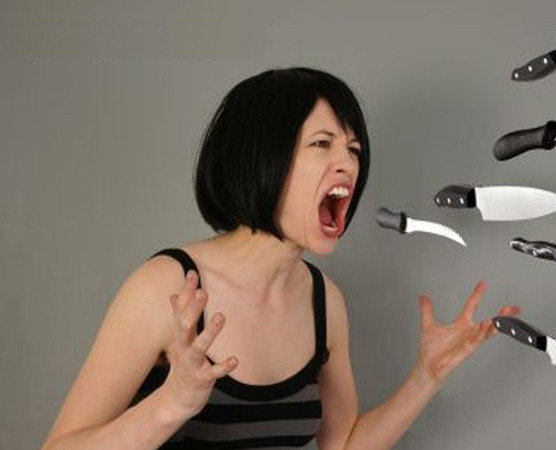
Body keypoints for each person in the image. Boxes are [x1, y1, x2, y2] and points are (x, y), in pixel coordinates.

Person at [41, 67, 522, 449]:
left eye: (353, 148)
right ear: (261, 160)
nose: (347, 163)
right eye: (322, 144)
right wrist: (169, 404)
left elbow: (342, 444)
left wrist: (426, 376)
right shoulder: (166, 287)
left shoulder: (324, 301)